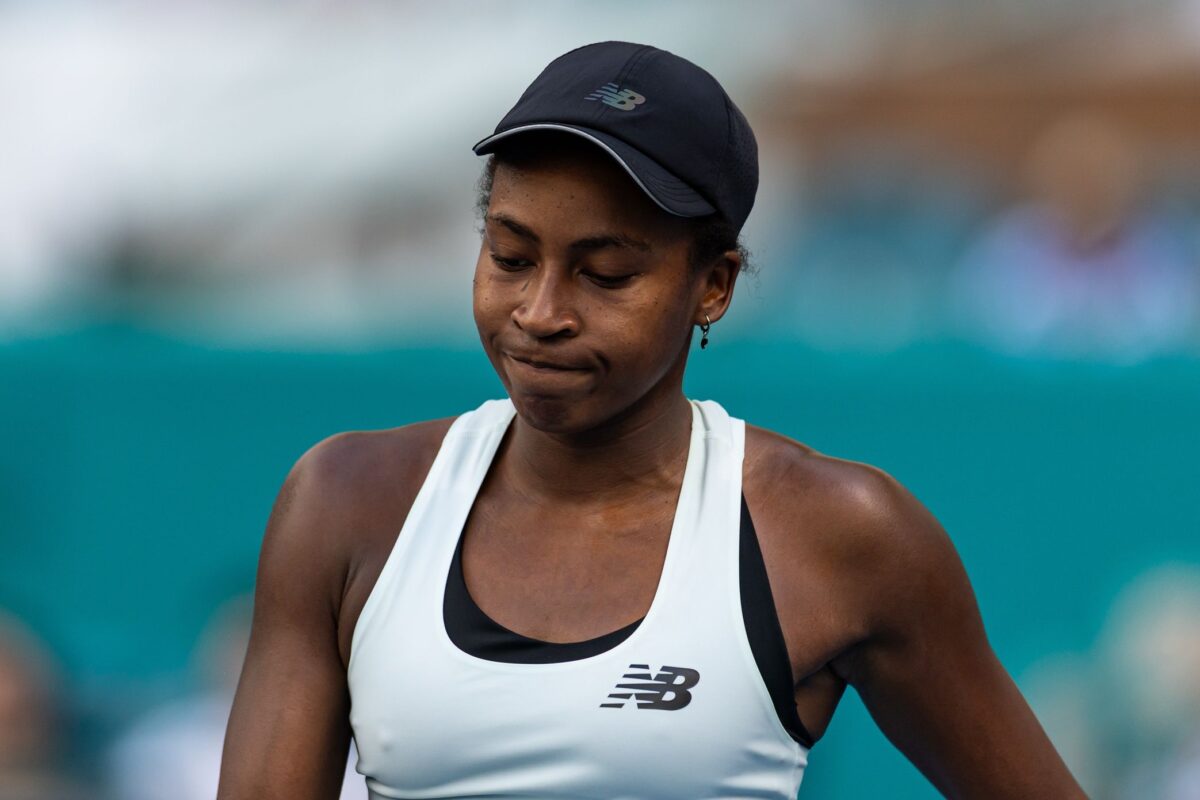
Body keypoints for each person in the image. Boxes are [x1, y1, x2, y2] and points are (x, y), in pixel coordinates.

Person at [217, 41, 1085, 799]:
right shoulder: (343, 502)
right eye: (510, 257)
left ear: (714, 286)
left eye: (604, 274)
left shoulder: (841, 534)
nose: (540, 312)